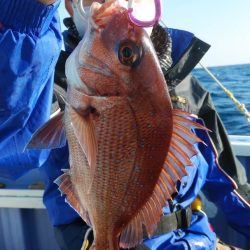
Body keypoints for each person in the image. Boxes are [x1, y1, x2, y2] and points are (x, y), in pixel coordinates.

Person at [0, 1, 249, 250]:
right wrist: (29, 12)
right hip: (96, 238)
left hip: (197, 239)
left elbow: (229, 179)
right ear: (69, 5)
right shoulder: (44, 79)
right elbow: (13, 143)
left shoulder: (186, 84)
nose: (116, 2)